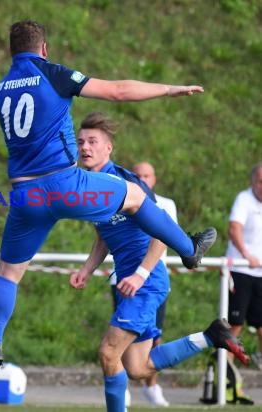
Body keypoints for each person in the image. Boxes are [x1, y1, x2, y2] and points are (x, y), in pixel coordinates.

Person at [0, 19, 218, 387]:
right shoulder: (52, 72)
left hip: (25, 194)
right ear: (44, 49)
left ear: (11, 51)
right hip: (65, 183)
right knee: (135, 196)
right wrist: (168, 89)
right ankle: (189, 248)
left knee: (8, 274)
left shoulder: (3, 86)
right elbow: (117, 91)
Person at [71, 111, 248, 412]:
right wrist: (88, 268)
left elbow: (161, 231)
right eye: (81, 142)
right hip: (132, 280)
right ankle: (211, 336)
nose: (85, 147)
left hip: (146, 280)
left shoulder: (125, 182)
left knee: (108, 352)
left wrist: (140, 274)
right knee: (138, 367)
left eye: (93, 141)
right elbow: (104, 234)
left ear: (108, 148)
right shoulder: (92, 186)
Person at [132, 161, 178, 406]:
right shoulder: (122, 198)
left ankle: (152, 387)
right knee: (120, 338)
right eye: (137, 175)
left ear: (154, 178)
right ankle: (121, 388)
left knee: (154, 337)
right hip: (126, 279)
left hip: (153, 281)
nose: (142, 179)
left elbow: (167, 237)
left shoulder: (165, 205)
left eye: (146, 175)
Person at [226, 163, 262, 371]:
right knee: (235, 323)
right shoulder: (244, 200)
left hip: (260, 273)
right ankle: (226, 368)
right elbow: (234, 228)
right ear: (253, 182)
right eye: (260, 182)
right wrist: (247, 255)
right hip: (241, 270)